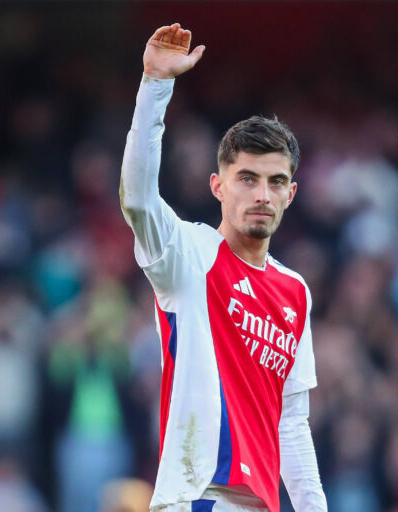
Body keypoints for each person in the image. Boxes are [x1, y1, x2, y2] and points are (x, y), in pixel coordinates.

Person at [120, 23, 327, 512]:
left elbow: (291, 423)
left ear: (291, 194)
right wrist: (155, 86)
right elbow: (138, 198)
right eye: (247, 178)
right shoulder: (188, 255)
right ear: (218, 186)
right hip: (198, 497)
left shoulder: (295, 291)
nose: (262, 194)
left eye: (276, 182)